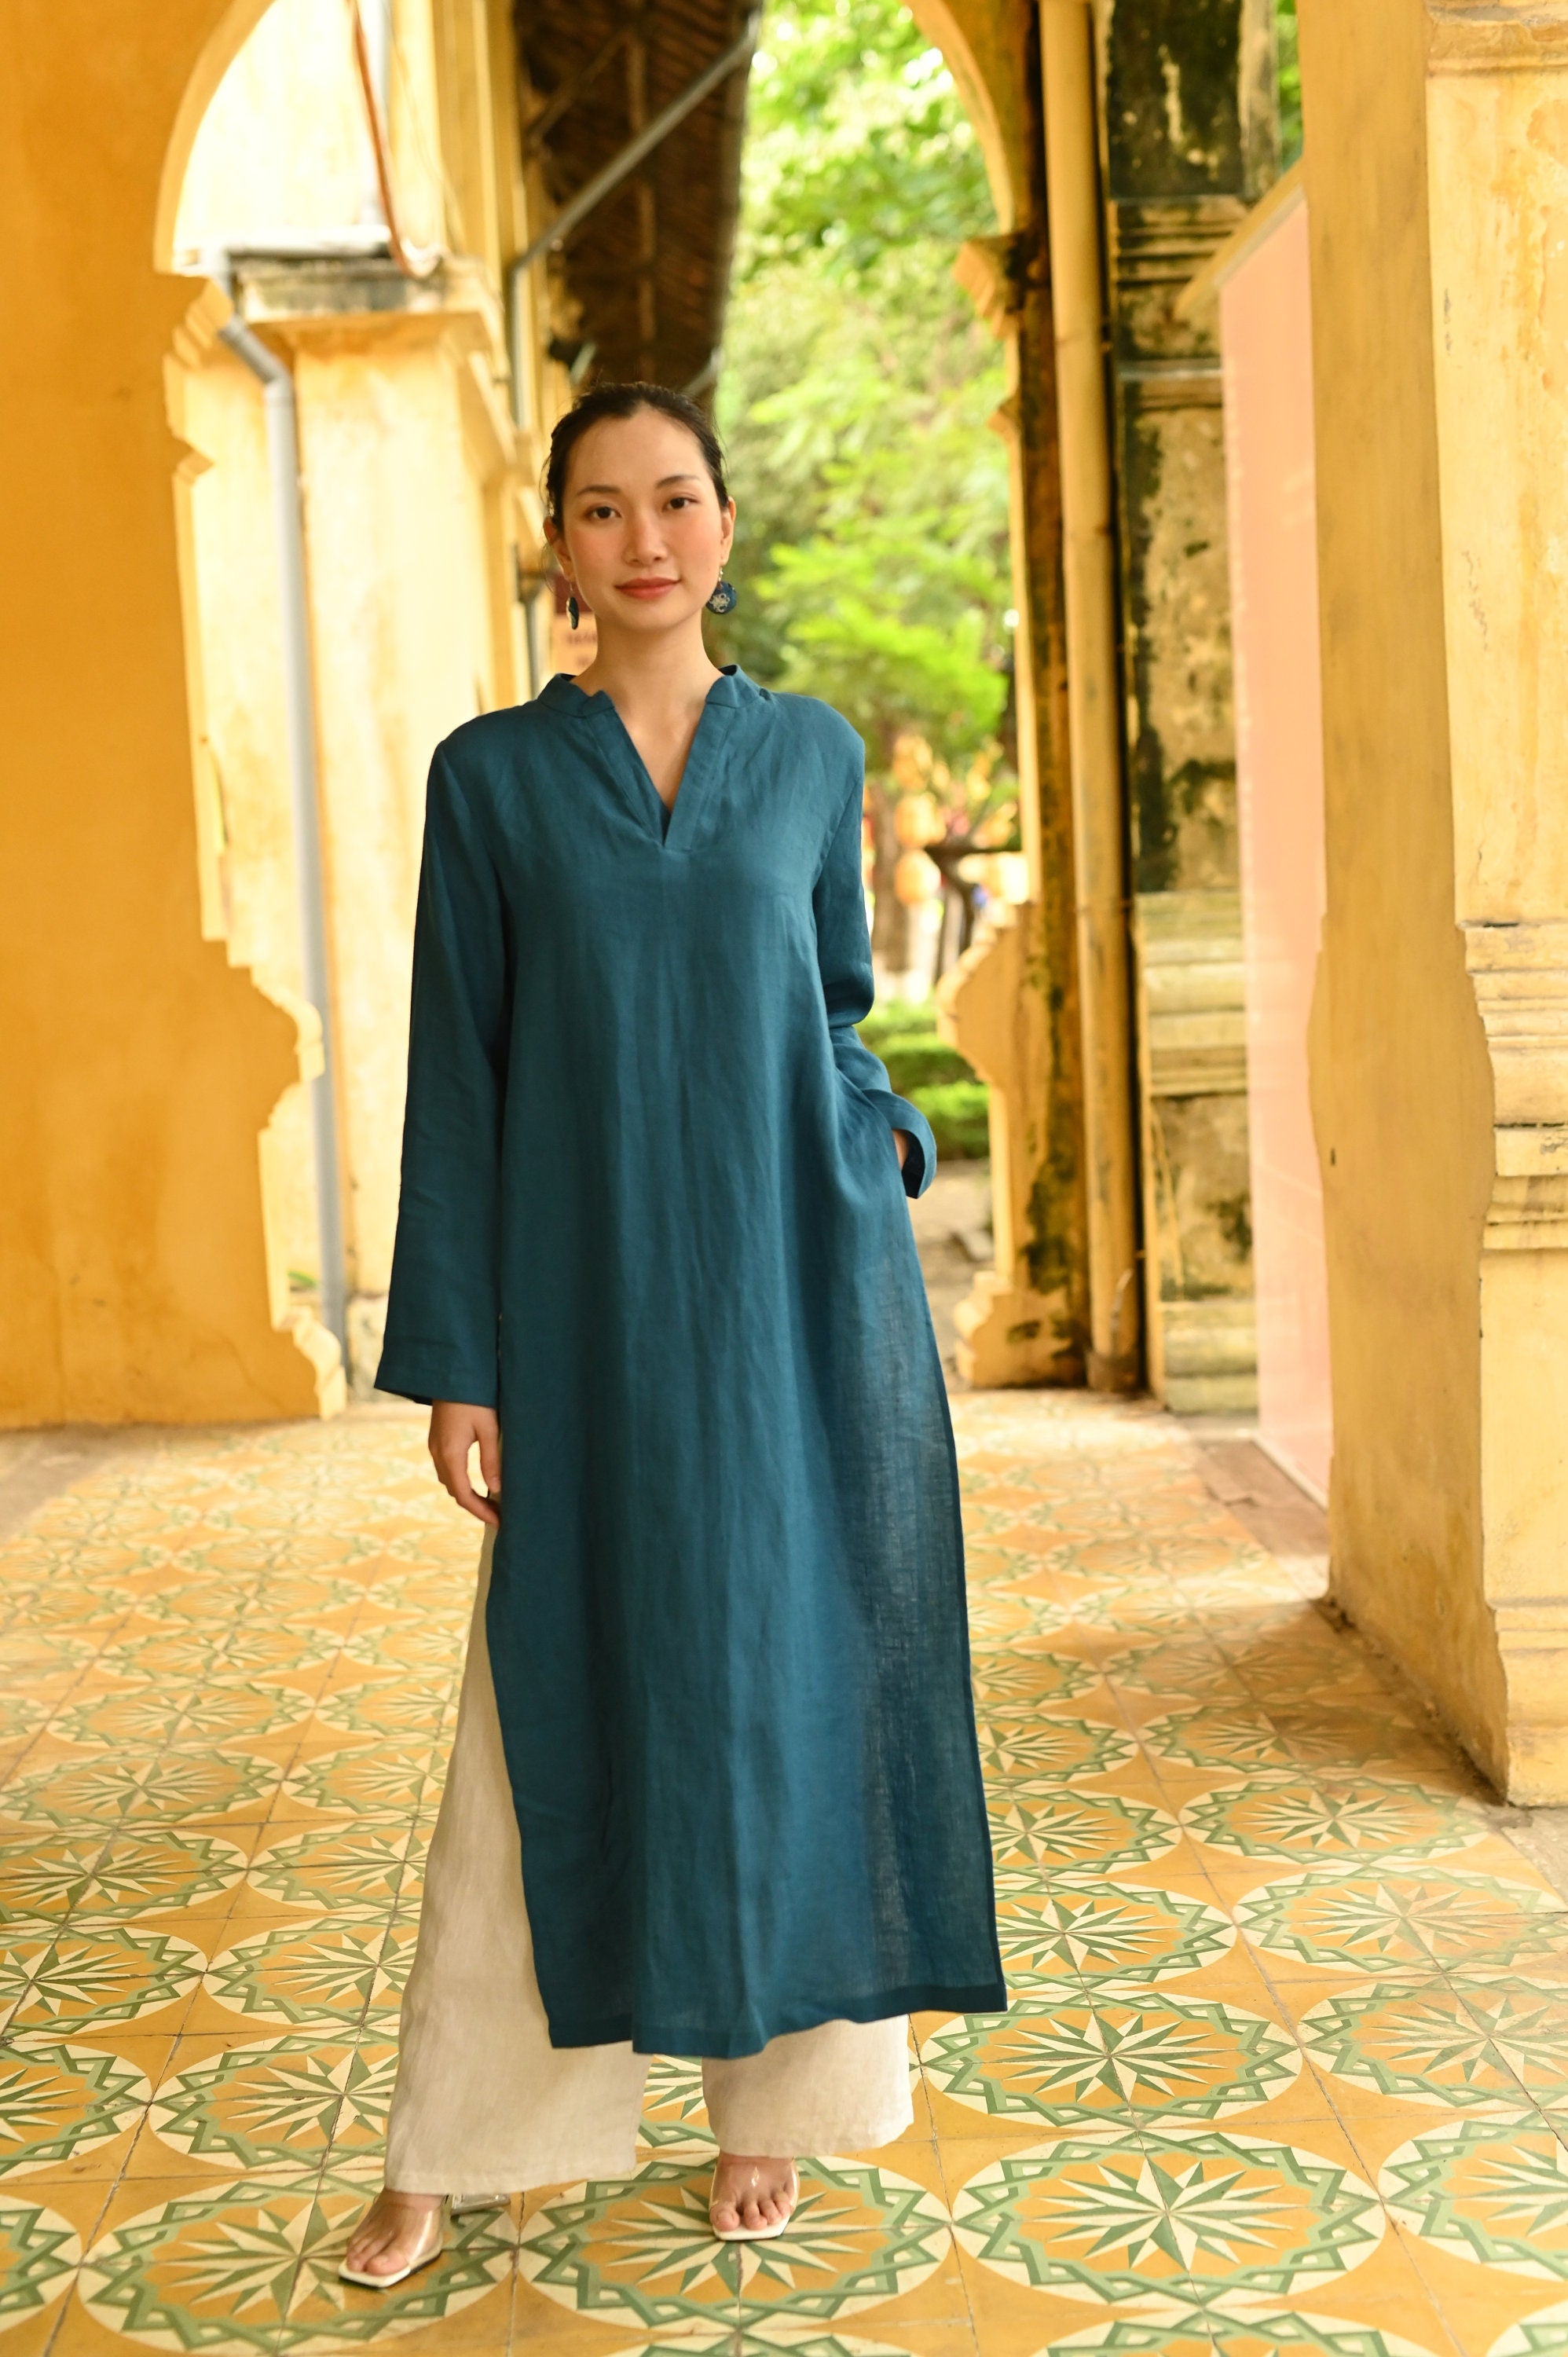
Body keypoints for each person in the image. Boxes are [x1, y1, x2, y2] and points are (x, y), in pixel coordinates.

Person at [342, 382, 1005, 2288]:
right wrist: (461, 1359)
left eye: (675, 499)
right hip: (578, 1314)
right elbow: (458, 1085)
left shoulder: (806, 760)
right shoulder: (489, 781)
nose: (643, 537)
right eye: (600, 507)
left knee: (782, 1683)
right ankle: (453, 2142)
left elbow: (832, 1011)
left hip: (788, 1301)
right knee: (536, 1718)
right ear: (556, 542)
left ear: (723, 527)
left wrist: (880, 1139)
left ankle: (770, 2107)